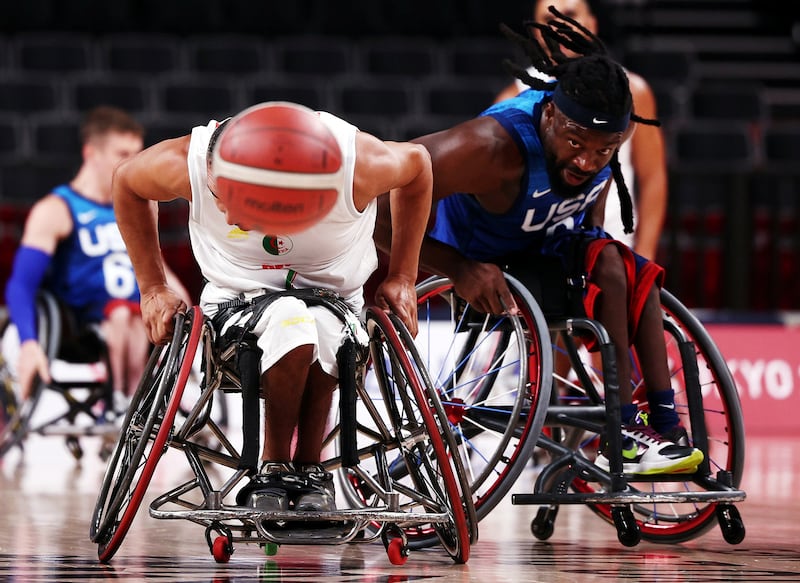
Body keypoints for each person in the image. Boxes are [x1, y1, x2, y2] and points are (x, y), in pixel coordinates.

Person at [377, 8, 701, 475]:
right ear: (549, 113)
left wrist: (589, 231)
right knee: (609, 266)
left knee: (626, 267)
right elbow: (385, 200)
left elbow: (595, 178)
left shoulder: (602, 132)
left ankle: (650, 423)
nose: (588, 161)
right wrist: (457, 268)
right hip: (479, 254)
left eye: (603, 150)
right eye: (576, 143)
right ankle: (623, 429)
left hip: (537, 245)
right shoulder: (492, 147)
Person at [111, 102, 432, 512]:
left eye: (237, 206)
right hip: (236, 300)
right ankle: (275, 463)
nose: (222, 211)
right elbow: (126, 182)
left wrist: (403, 276)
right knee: (291, 319)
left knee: (324, 326)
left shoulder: (357, 164)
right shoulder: (186, 162)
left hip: (334, 296)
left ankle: (311, 467)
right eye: (216, 194)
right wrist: (152, 286)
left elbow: (419, 167)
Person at [4, 106, 188, 413]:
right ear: (91, 153)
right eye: (123, 153)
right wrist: (28, 342)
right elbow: (22, 285)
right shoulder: (57, 209)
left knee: (140, 314)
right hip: (83, 326)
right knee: (120, 315)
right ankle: (123, 402)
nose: (133, 163)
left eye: (137, 153)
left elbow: (163, 273)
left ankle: (148, 402)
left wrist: (194, 315)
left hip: (144, 319)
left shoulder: (135, 211)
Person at [495, 0, 667, 260]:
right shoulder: (513, 98)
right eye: (549, 21)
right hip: (539, 250)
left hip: (611, 244)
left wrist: (645, 255)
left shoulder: (633, 90)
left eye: (571, 15)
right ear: (535, 32)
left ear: (592, 25)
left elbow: (653, 178)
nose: (560, 26)